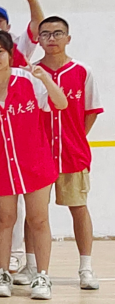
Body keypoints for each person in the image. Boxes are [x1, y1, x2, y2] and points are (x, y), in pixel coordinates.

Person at [0, 30, 68, 300]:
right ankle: (3, 273)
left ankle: (42, 275)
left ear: (10, 54)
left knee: (38, 219)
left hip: (35, 164)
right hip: (0, 167)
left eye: (0, 52)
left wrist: (46, 79)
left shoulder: (29, 80)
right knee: (5, 220)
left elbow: (61, 103)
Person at [35, 16, 103, 290]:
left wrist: (74, 138)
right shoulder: (31, 73)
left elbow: (91, 112)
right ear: (38, 39)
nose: (51, 38)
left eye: (57, 33)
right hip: (38, 156)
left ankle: (86, 267)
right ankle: (32, 265)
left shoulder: (83, 71)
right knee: (35, 214)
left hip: (73, 155)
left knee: (79, 208)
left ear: (68, 38)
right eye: (46, 34)